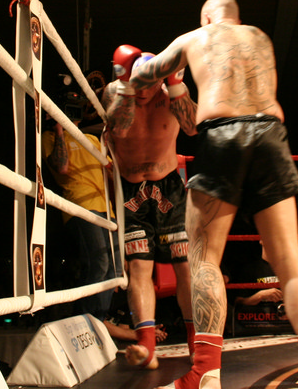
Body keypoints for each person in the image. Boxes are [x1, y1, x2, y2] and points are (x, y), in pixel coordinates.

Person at [128, 0, 298, 389]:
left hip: (223, 135)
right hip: (271, 134)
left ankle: (205, 373)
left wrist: (149, 67)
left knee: (204, 260)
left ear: (206, 18)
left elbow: (142, 77)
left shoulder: (195, 37)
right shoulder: (260, 38)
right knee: (289, 261)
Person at [103, 46, 198, 369]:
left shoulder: (171, 93)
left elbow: (192, 127)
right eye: (135, 82)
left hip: (169, 187)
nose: (142, 90)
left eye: (147, 83)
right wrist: (127, 87)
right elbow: (119, 129)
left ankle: (195, 341)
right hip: (130, 190)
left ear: (159, 78)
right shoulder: (114, 91)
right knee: (139, 267)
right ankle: (146, 346)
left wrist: (176, 85)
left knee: (185, 265)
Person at [43, 115, 118, 322]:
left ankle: (98, 320)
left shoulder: (91, 139)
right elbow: (61, 167)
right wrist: (59, 129)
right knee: (99, 263)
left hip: (107, 209)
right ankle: (82, 320)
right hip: (81, 205)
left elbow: (113, 173)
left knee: (116, 269)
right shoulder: (49, 137)